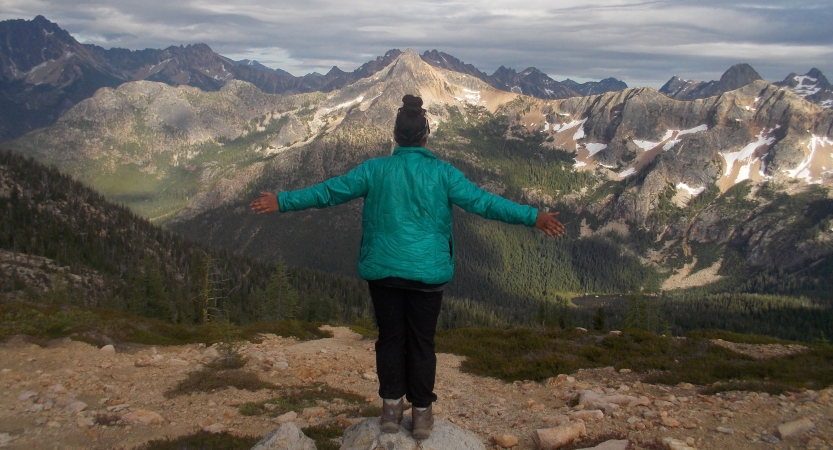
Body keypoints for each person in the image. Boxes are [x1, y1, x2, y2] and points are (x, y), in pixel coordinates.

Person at [250, 94, 564, 439]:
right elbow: (484, 203)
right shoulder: (444, 173)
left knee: (389, 339)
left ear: (395, 136)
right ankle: (422, 415)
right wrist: (534, 217)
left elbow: (328, 192)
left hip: (383, 271)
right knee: (421, 342)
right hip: (428, 274)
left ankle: (390, 411)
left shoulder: (374, 170)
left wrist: (281, 201)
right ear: (426, 137)